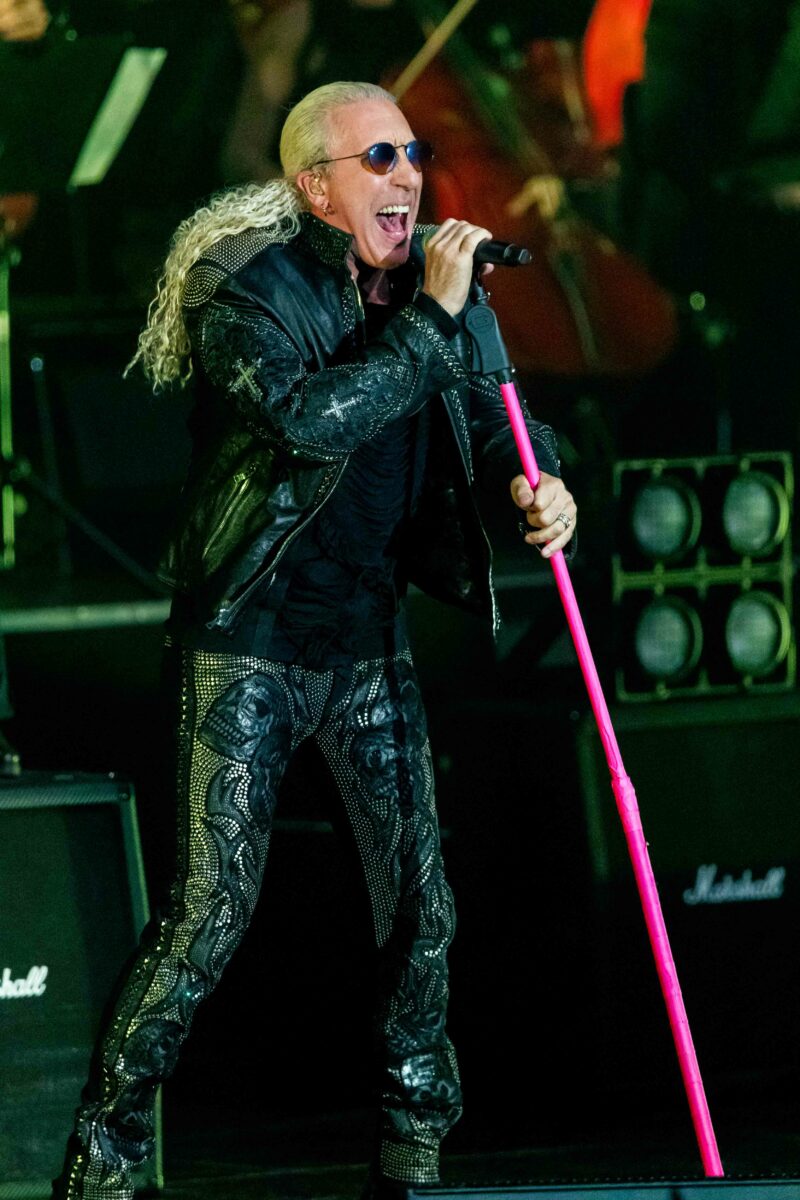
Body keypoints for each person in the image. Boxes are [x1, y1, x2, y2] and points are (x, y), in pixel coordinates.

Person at [52, 80, 576, 1200]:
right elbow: (306, 421)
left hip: (367, 642)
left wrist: (541, 484)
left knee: (420, 904)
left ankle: (413, 1152)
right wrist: (431, 323)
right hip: (248, 639)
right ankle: (103, 1157)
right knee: (209, 916)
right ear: (315, 188)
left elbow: (499, 417)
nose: (407, 178)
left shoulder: (435, 286)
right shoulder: (243, 287)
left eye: (413, 155)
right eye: (378, 158)